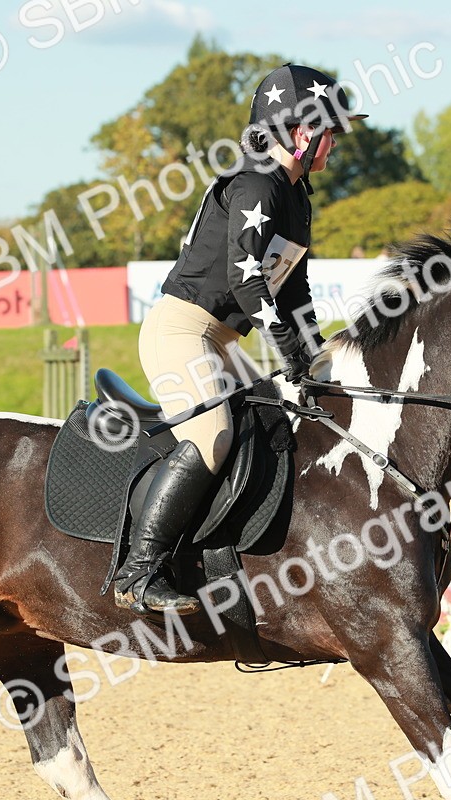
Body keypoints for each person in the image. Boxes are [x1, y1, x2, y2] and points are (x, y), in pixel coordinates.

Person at [113, 64, 366, 616]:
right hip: (181, 330)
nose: (335, 145)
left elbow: (293, 287)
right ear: (301, 132)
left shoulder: (296, 196)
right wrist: (283, 343)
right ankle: (140, 569)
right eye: (331, 132)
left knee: (273, 424)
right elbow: (244, 278)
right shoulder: (255, 183)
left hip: (220, 339)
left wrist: (312, 360)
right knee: (212, 435)